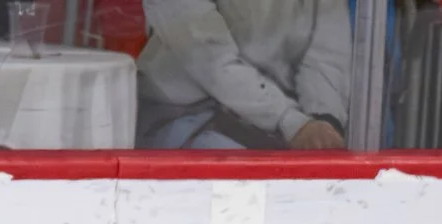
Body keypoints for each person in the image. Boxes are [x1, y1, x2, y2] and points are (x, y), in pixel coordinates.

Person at [136, 0, 348, 149]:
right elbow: (210, 60)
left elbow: (325, 53)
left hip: (285, 126)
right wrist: (292, 122)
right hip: (189, 118)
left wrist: (323, 121)